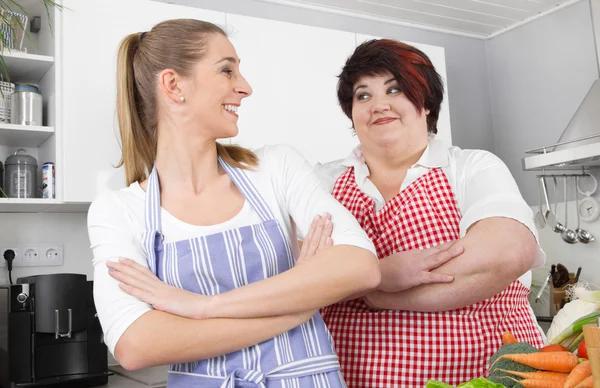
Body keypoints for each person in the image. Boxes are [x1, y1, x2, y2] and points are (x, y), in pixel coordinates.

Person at [87, 19, 389, 388]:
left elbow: (360, 267)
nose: (245, 87)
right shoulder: (118, 212)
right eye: (227, 70)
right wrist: (298, 305)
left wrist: (201, 307)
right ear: (173, 85)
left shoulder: (277, 167)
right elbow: (135, 345)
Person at [313, 39, 546, 387]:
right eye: (363, 95)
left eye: (394, 89)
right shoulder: (322, 182)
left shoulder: (471, 167)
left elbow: (506, 255)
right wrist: (382, 274)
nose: (378, 105)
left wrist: (372, 291)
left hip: (487, 377)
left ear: (425, 103)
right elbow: (297, 275)